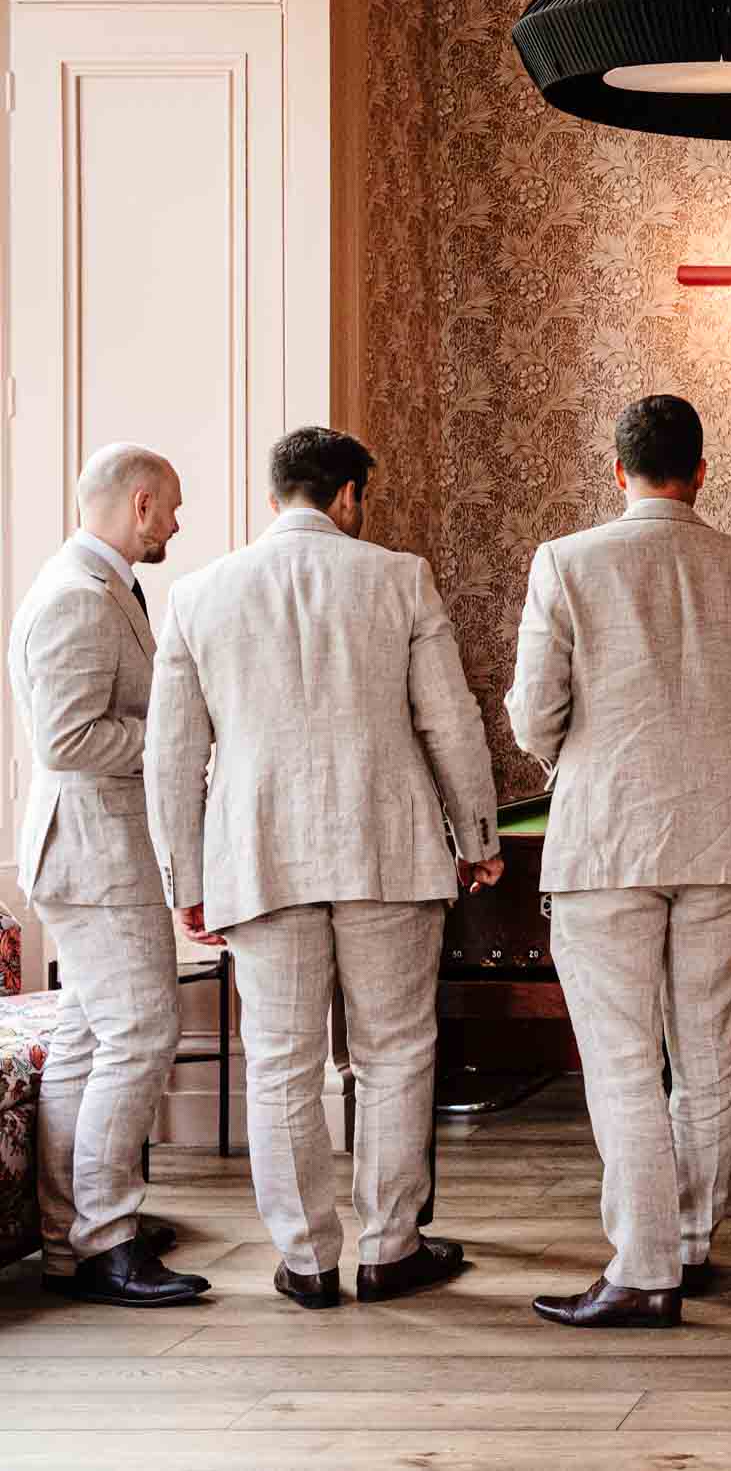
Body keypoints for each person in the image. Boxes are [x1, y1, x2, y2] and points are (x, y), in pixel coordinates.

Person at [145, 427, 499, 1310]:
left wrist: (184, 879)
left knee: (280, 1064)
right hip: (388, 849)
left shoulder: (198, 596)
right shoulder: (398, 577)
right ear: (347, 496)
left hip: (259, 856)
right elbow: (449, 720)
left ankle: (305, 1260)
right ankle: (389, 1248)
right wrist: (479, 835)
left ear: (276, 497)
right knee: (395, 1055)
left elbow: (171, 756)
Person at [508, 395, 731, 1330]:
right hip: (720, 839)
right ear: (702, 470)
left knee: (625, 1060)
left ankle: (642, 1268)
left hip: (604, 838)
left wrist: (577, 760)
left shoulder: (567, 562)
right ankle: (692, 1243)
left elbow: (530, 714)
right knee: (704, 1051)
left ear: (617, 469)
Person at [9, 444, 205, 1306]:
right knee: (142, 1032)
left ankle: (73, 1237)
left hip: (92, 847)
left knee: (89, 1038)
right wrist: (175, 750)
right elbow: (67, 740)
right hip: (90, 851)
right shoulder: (77, 598)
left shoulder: (100, 586)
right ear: (137, 503)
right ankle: (103, 1240)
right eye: (169, 507)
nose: (176, 522)